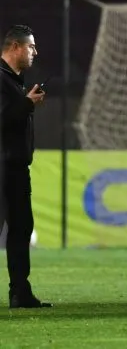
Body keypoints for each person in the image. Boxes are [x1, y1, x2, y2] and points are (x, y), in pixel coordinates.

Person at [0, 25, 50, 309]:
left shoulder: (13, 81)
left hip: (17, 168)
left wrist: (25, 102)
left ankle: (20, 292)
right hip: (3, 167)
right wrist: (26, 104)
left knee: (21, 229)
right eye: (31, 47)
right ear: (16, 47)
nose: (35, 52)